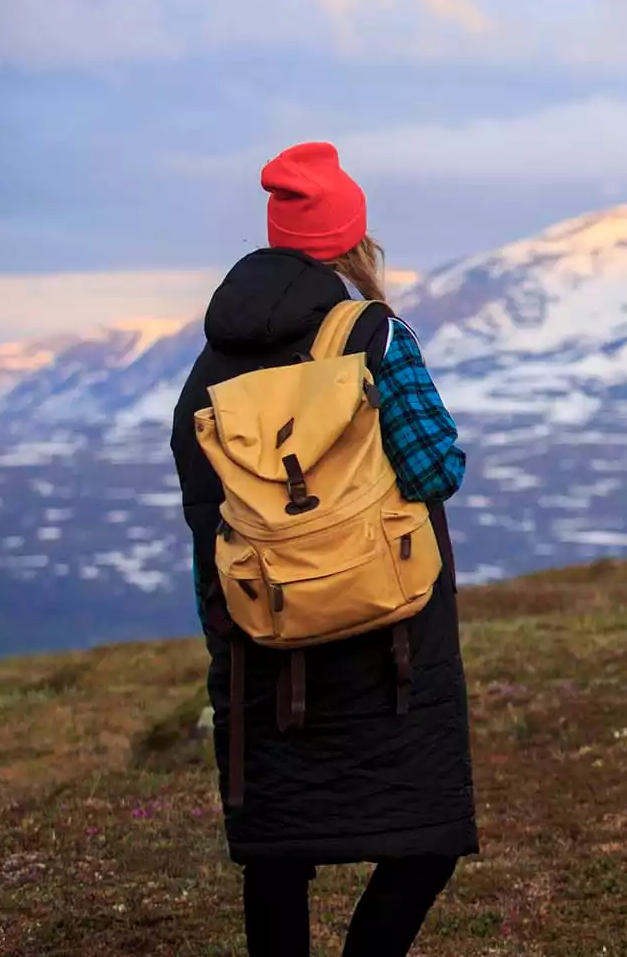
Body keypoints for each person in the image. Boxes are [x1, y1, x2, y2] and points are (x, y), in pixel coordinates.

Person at [169, 142, 477, 956]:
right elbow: (435, 468)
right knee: (425, 835)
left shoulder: (210, 367)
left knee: (279, 854)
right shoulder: (371, 336)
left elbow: (208, 516)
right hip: (388, 638)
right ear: (352, 241)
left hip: (262, 637)